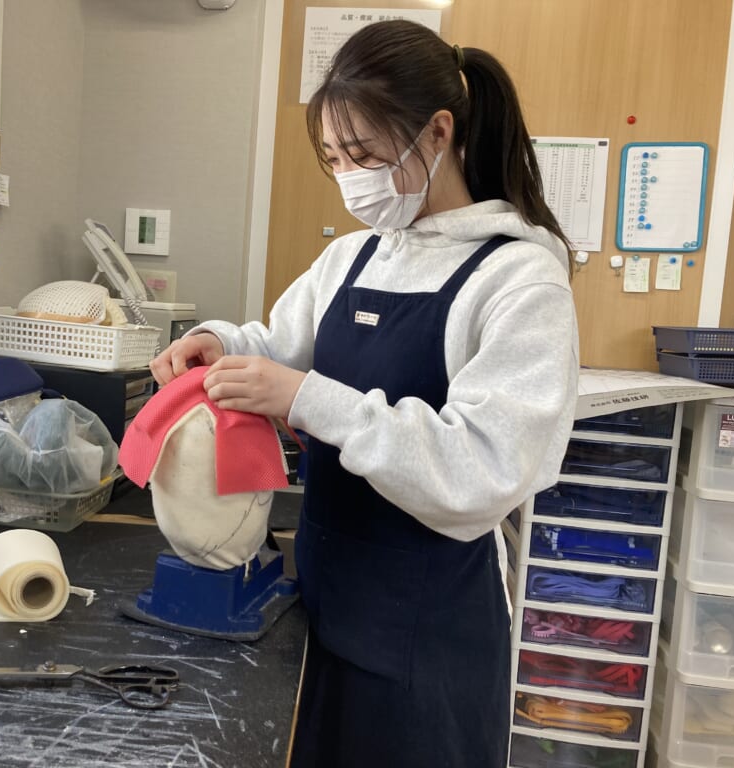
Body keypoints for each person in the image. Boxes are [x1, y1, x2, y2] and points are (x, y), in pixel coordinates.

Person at [149, 19, 579, 768]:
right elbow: (280, 344)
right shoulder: (351, 256)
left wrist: (309, 397)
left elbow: (483, 468)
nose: (350, 176)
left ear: (438, 133)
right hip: (325, 595)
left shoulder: (519, 280)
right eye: (334, 158)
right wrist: (222, 344)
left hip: (427, 625)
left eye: (366, 155)